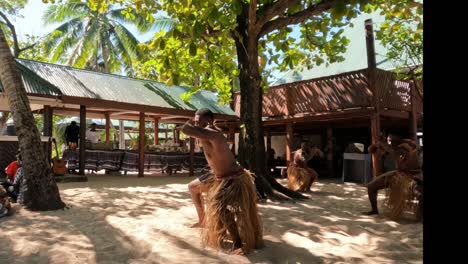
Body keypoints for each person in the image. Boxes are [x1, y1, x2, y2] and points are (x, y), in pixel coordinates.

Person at [180, 108, 263, 255]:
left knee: (219, 206)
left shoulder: (214, 134)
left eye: (199, 121)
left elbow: (186, 129)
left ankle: (238, 242)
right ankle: (203, 221)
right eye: (195, 121)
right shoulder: (204, 133)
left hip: (233, 177)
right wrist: (192, 123)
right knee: (193, 187)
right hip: (217, 176)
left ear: (209, 122)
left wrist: (189, 124)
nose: (196, 123)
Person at [363, 133, 422, 221]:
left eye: (390, 140)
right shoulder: (390, 147)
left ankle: (420, 216)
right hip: (398, 173)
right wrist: (376, 145)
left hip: (413, 176)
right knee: (371, 187)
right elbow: (370, 150)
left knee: (420, 193)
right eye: (388, 140)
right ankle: (374, 210)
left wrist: (386, 147)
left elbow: (405, 163)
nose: (389, 141)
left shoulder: (409, 145)